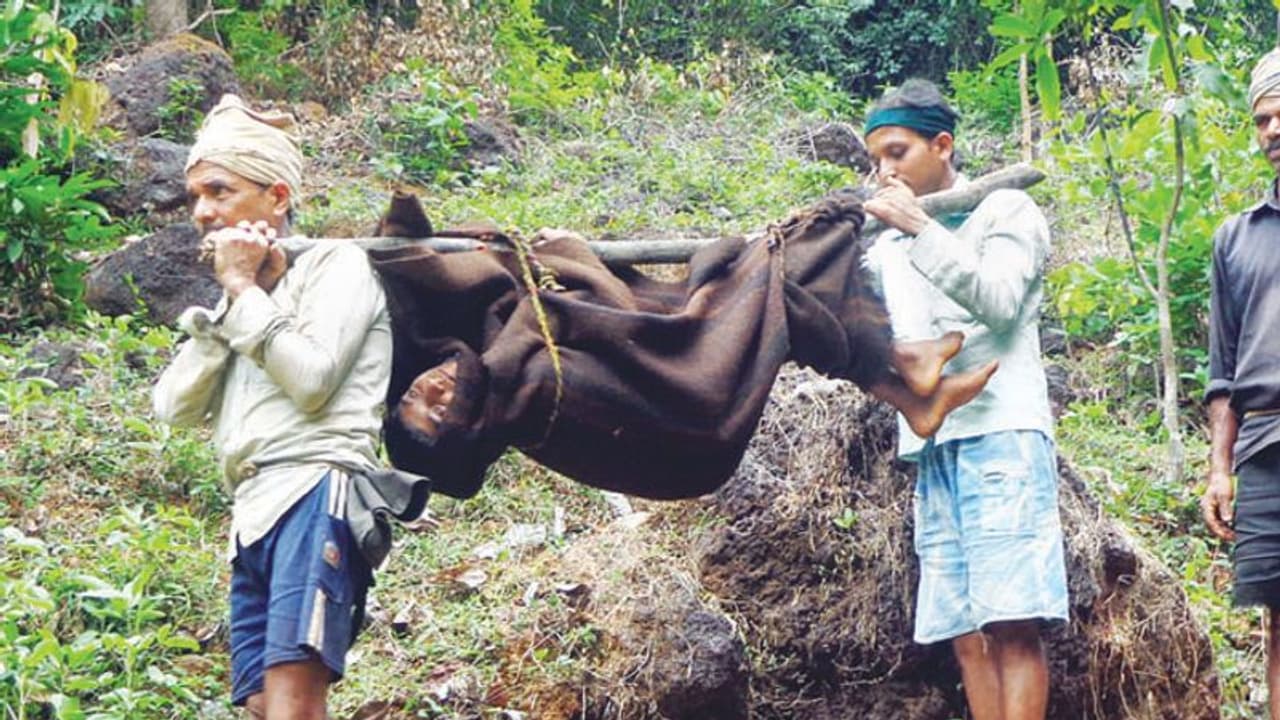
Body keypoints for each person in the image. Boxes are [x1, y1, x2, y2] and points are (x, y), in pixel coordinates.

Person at [152, 94, 412, 719]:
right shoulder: (245, 301)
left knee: (294, 702)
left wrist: (243, 288)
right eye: (194, 197)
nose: (203, 212)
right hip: (252, 515)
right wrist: (236, 306)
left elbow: (314, 379)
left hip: (316, 491)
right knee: (262, 705)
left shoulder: (336, 267)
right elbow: (172, 406)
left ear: (276, 197)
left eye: (219, 191)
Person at [860, 78, 1066, 720]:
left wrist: (920, 227)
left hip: (1002, 434)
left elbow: (1001, 302)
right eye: (875, 160)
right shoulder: (888, 246)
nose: (884, 171)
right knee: (966, 634)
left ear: (942, 145)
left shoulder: (1007, 212)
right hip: (931, 445)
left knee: (1011, 624)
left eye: (897, 153)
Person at [1202, 47, 1280, 720]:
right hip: (1265, 448)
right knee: (1279, 619)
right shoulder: (1236, 237)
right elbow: (1222, 370)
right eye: (1262, 119)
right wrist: (1218, 468)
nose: (1273, 131)